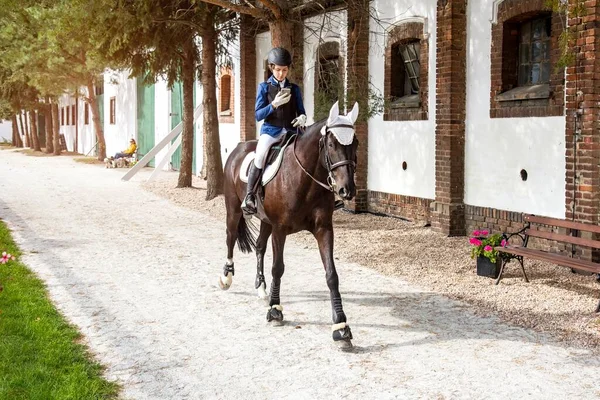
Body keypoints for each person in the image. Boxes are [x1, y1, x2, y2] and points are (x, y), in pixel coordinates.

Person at [241, 47, 307, 215]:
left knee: (310, 152)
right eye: (278, 70)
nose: (281, 74)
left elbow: (300, 110)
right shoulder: (264, 87)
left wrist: (302, 118)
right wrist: (273, 105)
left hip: (292, 131)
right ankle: (250, 196)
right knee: (261, 155)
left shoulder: (294, 89)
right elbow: (258, 115)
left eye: (284, 70)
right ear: (272, 68)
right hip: (271, 131)